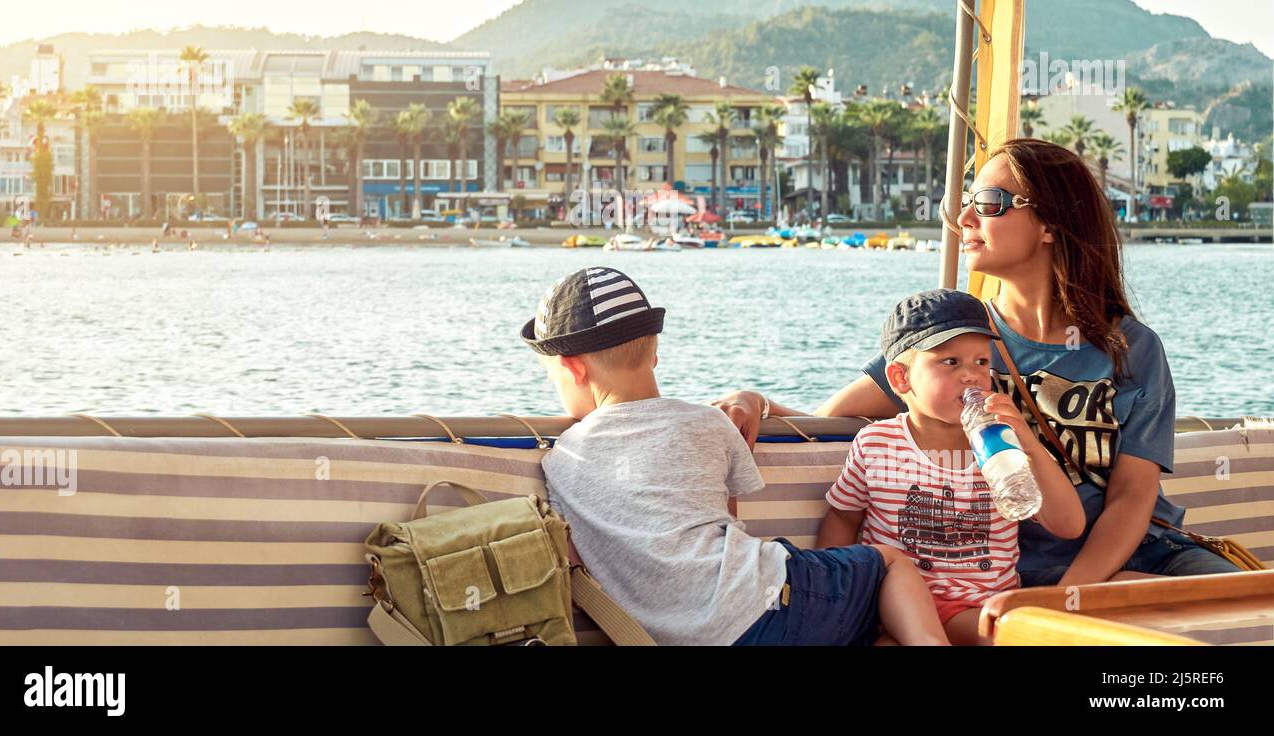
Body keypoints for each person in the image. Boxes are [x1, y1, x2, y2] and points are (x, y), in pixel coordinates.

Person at [716, 138, 1242, 587]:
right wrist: (755, 401)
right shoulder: (950, 342)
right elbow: (827, 423)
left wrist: (1071, 597)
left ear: (1051, 225)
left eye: (989, 202)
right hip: (1017, 572)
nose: (963, 219)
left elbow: (1131, 497)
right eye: (965, 202)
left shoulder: (1130, 347)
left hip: (1147, 554)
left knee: (1247, 610)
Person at [526, 267, 950, 646]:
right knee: (891, 565)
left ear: (573, 368)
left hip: (680, 636)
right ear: (654, 354)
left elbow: (578, 561)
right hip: (772, 600)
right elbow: (728, 520)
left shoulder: (559, 463)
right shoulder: (709, 423)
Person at [818, 288, 1085, 645]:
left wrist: (1029, 443)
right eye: (950, 362)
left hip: (986, 609)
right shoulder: (876, 444)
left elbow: (1069, 525)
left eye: (981, 362)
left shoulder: (1001, 446)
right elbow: (843, 517)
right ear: (900, 378)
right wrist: (830, 594)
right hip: (894, 604)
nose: (971, 376)